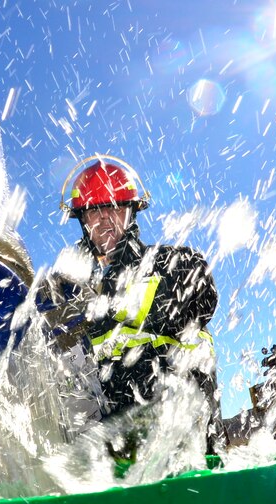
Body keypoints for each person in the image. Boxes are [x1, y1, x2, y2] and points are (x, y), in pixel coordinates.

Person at [41, 156, 222, 463]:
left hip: (186, 438)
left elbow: (202, 294)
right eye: (94, 211)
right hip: (116, 447)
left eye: (114, 207)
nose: (105, 219)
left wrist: (112, 289)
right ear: (83, 221)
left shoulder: (173, 263)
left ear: (132, 211)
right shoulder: (72, 290)